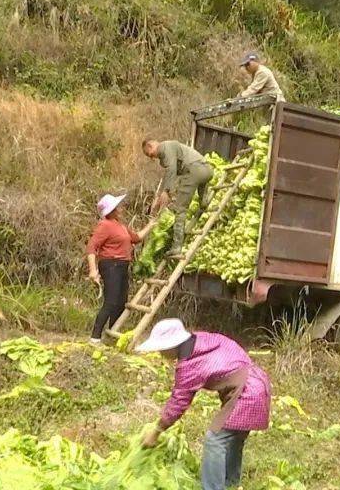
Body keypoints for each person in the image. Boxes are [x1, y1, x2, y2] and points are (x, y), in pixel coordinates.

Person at [137, 319, 271, 490]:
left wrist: (156, 432)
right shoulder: (203, 340)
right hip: (258, 383)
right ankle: (231, 484)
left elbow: (178, 403)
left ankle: (213, 487)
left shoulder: (189, 366)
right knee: (233, 439)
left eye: (161, 349)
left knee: (214, 439)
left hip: (247, 393)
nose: (160, 353)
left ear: (172, 345)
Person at [85, 193, 157, 344]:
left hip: (122, 266)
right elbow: (92, 247)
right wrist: (93, 270)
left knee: (121, 302)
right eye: (118, 207)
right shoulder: (105, 225)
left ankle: (112, 333)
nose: (121, 209)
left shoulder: (121, 226)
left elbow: (136, 238)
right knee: (111, 301)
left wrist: (151, 225)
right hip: (111, 265)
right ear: (112, 210)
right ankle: (95, 337)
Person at [141, 139, 214, 256]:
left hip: (194, 171)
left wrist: (166, 191)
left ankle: (177, 246)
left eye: (150, 154)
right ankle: (203, 203)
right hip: (207, 169)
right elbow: (170, 174)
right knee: (199, 186)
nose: (152, 158)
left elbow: (171, 170)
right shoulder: (170, 148)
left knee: (180, 209)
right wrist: (160, 195)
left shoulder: (165, 148)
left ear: (150, 146)